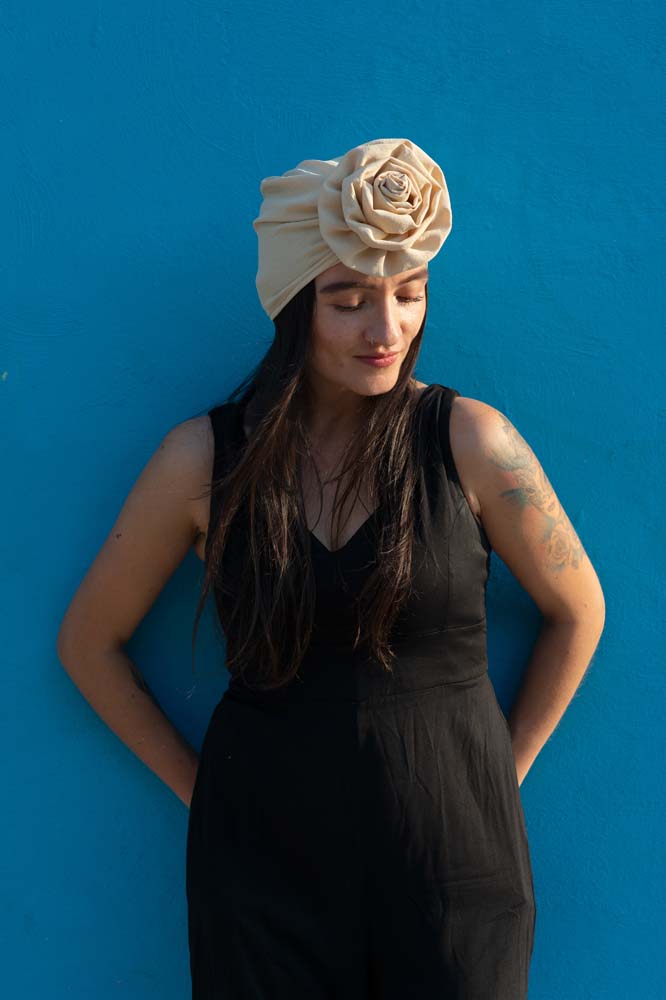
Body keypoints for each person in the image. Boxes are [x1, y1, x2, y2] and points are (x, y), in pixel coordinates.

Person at [57, 138, 606, 998]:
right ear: (293, 307)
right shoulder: (204, 461)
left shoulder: (471, 442)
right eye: (348, 301)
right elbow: (89, 642)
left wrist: (497, 779)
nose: (385, 331)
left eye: (407, 294)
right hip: (261, 877)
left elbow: (578, 611)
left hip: (454, 873)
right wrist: (205, 796)